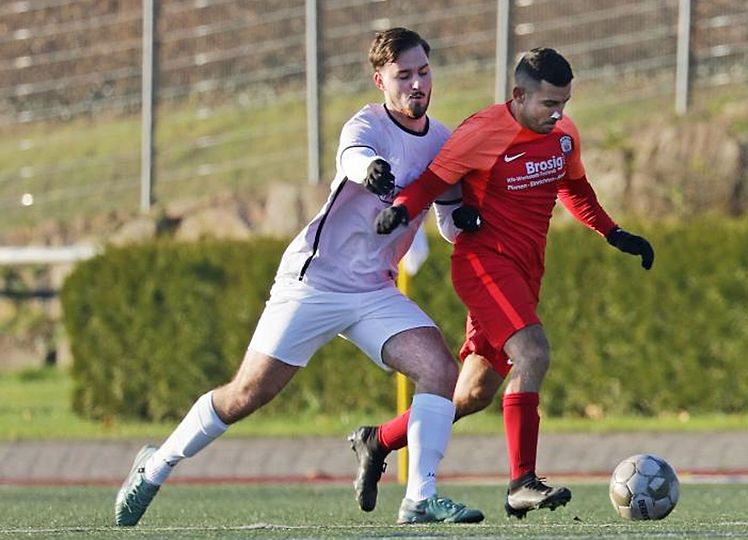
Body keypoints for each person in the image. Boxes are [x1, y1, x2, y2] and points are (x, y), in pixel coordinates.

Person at [114, 27, 485, 527]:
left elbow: (443, 217)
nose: (416, 85)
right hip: (313, 283)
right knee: (247, 394)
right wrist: (371, 169)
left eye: (423, 72)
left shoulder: (441, 141)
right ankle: (155, 466)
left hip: (374, 291)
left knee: (440, 370)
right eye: (403, 76)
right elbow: (354, 158)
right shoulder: (367, 126)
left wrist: (463, 222)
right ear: (380, 80)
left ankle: (420, 497)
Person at [355, 47, 655, 519]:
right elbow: (434, 183)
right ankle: (521, 482)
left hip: (526, 270)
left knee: (471, 394)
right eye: (549, 104)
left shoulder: (562, 134)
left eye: (565, 104)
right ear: (518, 95)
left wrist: (614, 233)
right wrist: (401, 209)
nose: (559, 114)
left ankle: (379, 439)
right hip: (484, 264)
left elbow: (573, 189)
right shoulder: (482, 132)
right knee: (533, 353)